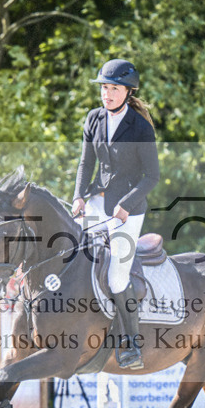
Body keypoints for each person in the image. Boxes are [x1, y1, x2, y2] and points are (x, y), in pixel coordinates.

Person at [71, 59, 159, 370]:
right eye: (104, 88)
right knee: (68, 249)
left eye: (113, 89)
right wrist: (78, 197)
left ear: (127, 91)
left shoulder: (140, 127)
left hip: (128, 210)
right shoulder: (93, 119)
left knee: (117, 275)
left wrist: (127, 204)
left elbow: (152, 177)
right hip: (97, 201)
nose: (106, 94)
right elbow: (85, 164)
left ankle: (131, 342)